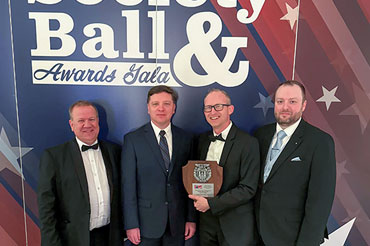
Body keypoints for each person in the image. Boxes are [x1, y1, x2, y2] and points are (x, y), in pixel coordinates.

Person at [254, 80, 336, 246]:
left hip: (292, 238)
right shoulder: (260, 135)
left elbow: (320, 202)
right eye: (280, 101)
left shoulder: (320, 141)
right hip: (257, 234)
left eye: (292, 102)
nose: (285, 107)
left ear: (303, 105)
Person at [37, 100, 123, 246]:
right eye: (81, 120)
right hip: (73, 239)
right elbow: (46, 208)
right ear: (72, 125)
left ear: (98, 121)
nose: (87, 125)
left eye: (91, 119)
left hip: (110, 237)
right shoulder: (54, 156)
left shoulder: (114, 151)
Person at [121, 85, 196, 245]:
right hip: (145, 224)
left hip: (177, 222)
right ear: (148, 108)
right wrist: (131, 224)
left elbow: (191, 183)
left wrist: (190, 218)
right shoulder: (133, 140)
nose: (161, 108)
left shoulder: (186, 139)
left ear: (174, 108)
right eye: (155, 104)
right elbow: (128, 185)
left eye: (166, 104)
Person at [189, 88, 260, 246]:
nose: (212, 112)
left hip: (235, 226)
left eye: (218, 106)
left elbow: (248, 188)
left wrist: (211, 204)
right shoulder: (201, 141)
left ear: (230, 109)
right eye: (208, 108)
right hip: (206, 224)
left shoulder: (248, 143)